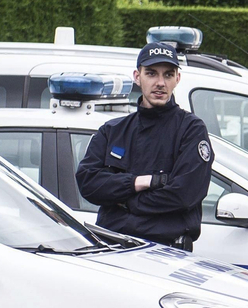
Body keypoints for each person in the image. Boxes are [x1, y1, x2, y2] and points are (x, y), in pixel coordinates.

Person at [76, 42, 215, 250]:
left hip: (167, 253)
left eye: (168, 75)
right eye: (151, 73)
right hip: (110, 251)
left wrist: (125, 202)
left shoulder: (191, 129)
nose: (160, 83)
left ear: (177, 78)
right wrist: (137, 182)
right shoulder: (113, 130)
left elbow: (184, 194)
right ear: (137, 76)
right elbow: (88, 183)